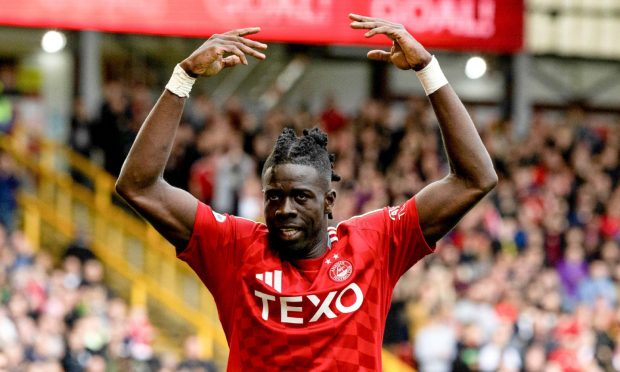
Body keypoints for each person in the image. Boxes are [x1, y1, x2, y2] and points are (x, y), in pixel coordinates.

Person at [115, 13, 497, 371]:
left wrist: (428, 70)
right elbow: (138, 185)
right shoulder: (233, 247)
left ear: (329, 201)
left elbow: (474, 179)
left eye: (300, 197)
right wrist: (182, 78)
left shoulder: (374, 244)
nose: (283, 209)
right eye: (273, 196)